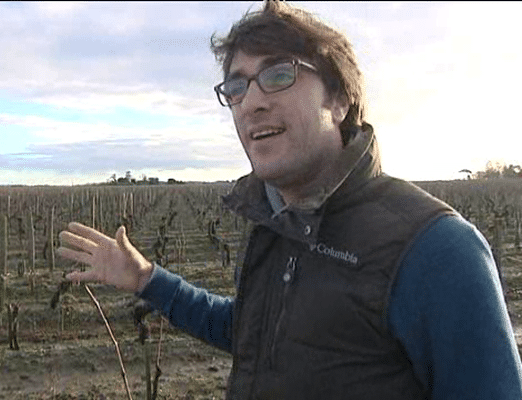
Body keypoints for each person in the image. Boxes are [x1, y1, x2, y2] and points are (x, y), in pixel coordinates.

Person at [57, 1, 522, 398]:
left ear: (339, 100)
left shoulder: (436, 250)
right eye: (237, 87)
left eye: (279, 74)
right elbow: (253, 331)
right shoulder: (275, 224)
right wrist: (146, 279)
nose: (251, 102)